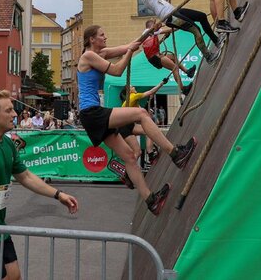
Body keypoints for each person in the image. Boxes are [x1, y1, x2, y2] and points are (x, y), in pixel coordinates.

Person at [0, 91, 79, 280]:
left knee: (14, 276)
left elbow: (26, 176)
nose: (15, 114)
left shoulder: (7, 143)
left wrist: (58, 194)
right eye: (9, 110)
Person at [76, 25, 196, 215]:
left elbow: (131, 45)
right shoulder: (88, 56)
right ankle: (175, 154)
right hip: (92, 112)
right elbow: (116, 71)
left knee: (130, 157)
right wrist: (129, 53)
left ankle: (151, 200)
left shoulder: (102, 53)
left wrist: (154, 32)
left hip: (92, 115)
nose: (105, 37)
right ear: (92, 39)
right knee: (141, 114)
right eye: (102, 35)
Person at [130, 0, 221, 63]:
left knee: (202, 16)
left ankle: (216, 40)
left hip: (173, 12)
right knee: (196, 30)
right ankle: (208, 56)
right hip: (170, 16)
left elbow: (155, 4)